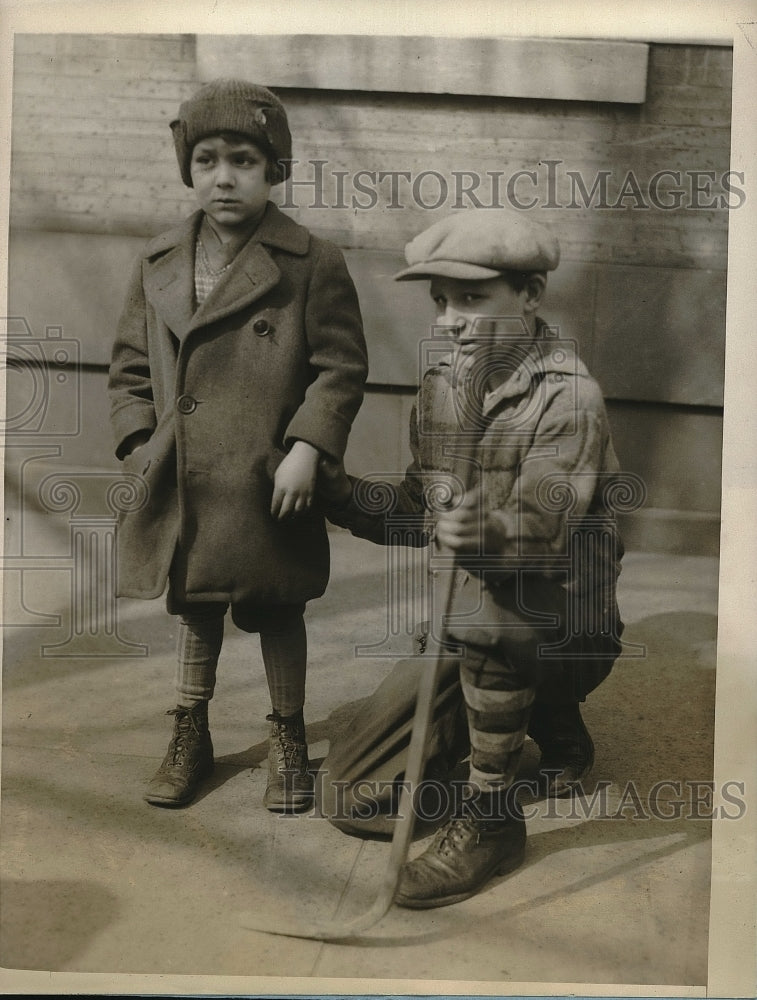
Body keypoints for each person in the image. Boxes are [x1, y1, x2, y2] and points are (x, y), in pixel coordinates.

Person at [316, 209, 625, 908]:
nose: (452, 319)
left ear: (530, 294)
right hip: (469, 623)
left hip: (560, 623)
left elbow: (544, 536)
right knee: (353, 797)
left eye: (472, 298)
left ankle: (490, 819)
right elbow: (410, 511)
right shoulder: (441, 389)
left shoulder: (568, 398)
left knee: (493, 608)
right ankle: (533, 725)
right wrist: (328, 489)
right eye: (441, 302)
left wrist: (483, 530)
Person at [108, 79, 368, 813]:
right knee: (195, 606)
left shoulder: (309, 261)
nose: (225, 177)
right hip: (187, 476)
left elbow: (340, 369)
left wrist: (308, 449)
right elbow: (128, 366)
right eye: (209, 160)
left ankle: (287, 734)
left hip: (270, 476)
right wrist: (139, 445)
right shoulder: (158, 260)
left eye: (245, 161)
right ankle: (191, 729)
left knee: (277, 605)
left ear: (274, 170)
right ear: (189, 169)